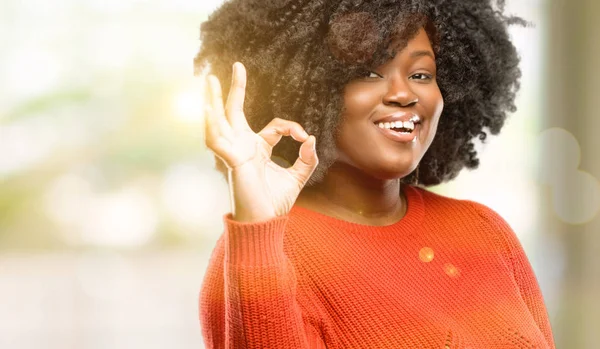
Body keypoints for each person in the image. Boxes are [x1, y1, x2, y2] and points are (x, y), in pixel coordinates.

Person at [195, 0, 555, 347]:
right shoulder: (259, 255)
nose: (403, 93)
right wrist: (258, 231)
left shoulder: (484, 230)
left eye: (420, 74)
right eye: (367, 72)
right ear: (310, 86)